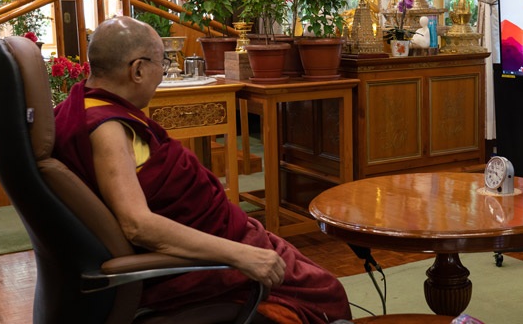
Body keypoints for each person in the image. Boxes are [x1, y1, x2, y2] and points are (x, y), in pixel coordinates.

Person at [52, 16, 352, 324]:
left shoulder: (78, 109)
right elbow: (137, 225)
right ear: (138, 70)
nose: (164, 72)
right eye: (162, 62)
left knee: (309, 276)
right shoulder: (108, 130)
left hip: (216, 231)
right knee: (324, 293)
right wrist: (240, 254)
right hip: (196, 266)